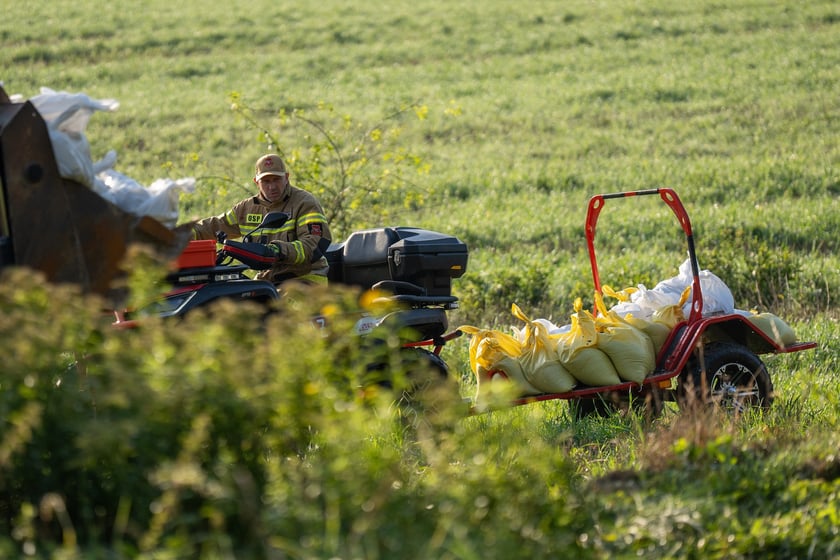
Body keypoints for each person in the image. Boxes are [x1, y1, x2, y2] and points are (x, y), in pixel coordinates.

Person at [192, 153, 332, 284]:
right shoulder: (246, 209)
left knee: (281, 310)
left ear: (287, 177)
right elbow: (216, 226)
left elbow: (314, 244)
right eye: (265, 181)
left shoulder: (304, 203)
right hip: (268, 280)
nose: (272, 187)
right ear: (256, 182)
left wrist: (277, 251)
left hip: (306, 278)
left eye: (276, 179)